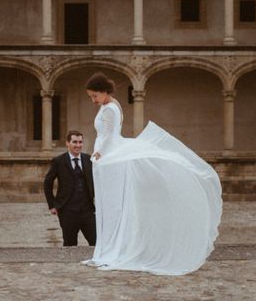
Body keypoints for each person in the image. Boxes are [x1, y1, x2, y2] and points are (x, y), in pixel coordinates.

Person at [82, 72, 222, 275]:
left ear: (104, 92)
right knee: (106, 206)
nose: (92, 100)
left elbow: (110, 137)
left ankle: (113, 249)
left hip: (108, 158)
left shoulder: (111, 108)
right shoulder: (107, 106)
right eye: (90, 97)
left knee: (113, 206)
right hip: (103, 159)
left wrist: (100, 153)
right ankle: (106, 249)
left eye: (94, 96)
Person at [44, 130, 96, 247]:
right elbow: (47, 183)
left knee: (96, 242)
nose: (78, 145)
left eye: (80, 142)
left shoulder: (88, 160)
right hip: (67, 211)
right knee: (70, 244)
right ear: (67, 143)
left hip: (87, 210)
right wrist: (52, 205)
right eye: (75, 142)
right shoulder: (59, 161)